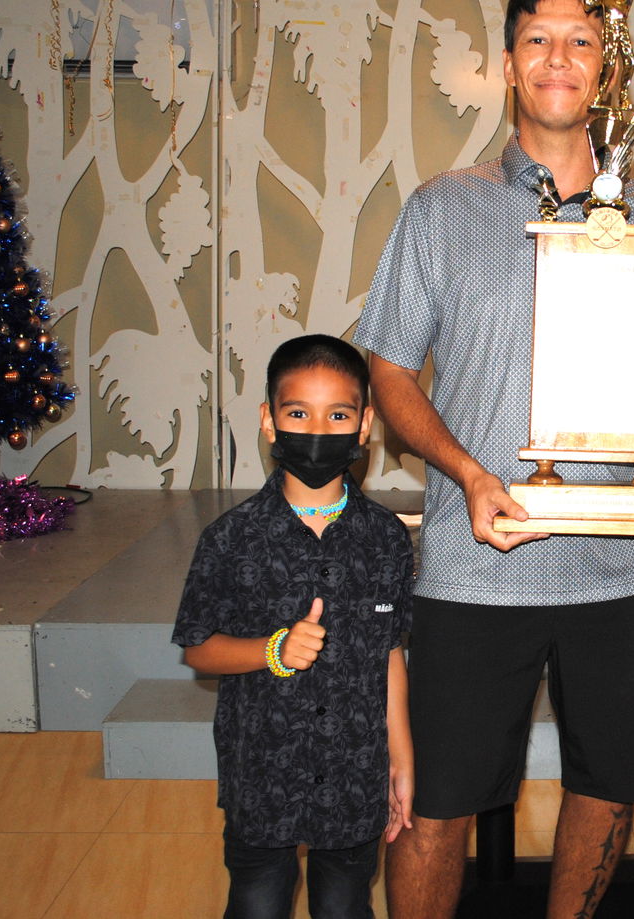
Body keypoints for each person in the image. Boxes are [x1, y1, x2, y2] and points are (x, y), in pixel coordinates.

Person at [355, 0, 634, 919]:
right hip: (477, 564)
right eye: (538, 40)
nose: (559, 58)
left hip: (622, 566)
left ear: (604, 71)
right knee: (437, 801)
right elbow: (389, 369)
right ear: (511, 65)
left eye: (581, 42)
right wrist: (469, 474)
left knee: (609, 786)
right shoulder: (442, 207)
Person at [173, 335, 414, 919]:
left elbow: (391, 653)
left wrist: (401, 758)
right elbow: (198, 650)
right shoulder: (230, 539)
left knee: (345, 905)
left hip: (356, 770)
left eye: (339, 414)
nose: (318, 427)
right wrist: (271, 650)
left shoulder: (385, 538)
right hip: (261, 768)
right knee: (256, 903)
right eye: (298, 412)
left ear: (364, 427)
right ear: (268, 420)